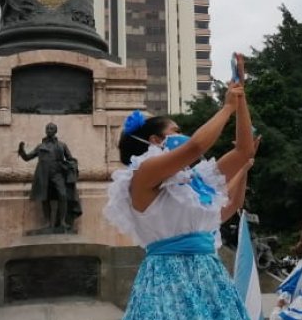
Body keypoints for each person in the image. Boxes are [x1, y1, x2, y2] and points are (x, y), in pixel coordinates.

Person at [103, 73, 257, 320]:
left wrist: (240, 99)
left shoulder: (195, 180)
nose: (182, 135)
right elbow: (196, 147)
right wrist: (227, 106)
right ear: (155, 141)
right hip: (168, 278)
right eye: (176, 131)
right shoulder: (142, 175)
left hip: (209, 275)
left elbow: (243, 151)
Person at [18, 123, 76, 233]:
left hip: (57, 174)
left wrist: (71, 167)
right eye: (47, 128)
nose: (49, 130)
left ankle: (62, 221)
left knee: (63, 195)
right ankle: (48, 223)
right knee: (45, 198)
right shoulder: (40, 146)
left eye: (51, 128)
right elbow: (27, 157)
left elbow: (70, 159)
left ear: (55, 131)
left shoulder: (62, 145)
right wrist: (21, 151)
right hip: (43, 175)